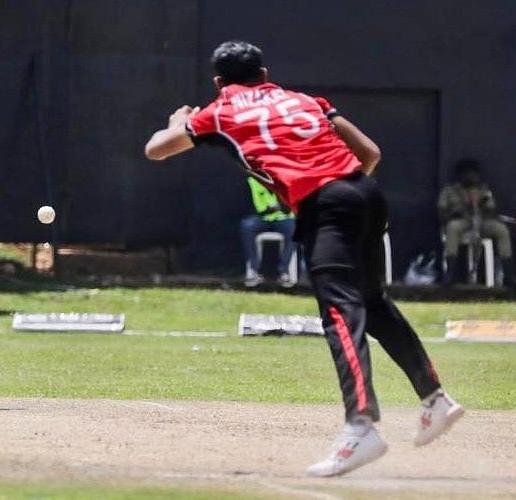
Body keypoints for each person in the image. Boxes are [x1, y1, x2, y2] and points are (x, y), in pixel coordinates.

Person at [144, 40, 464, 477]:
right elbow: (370, 153)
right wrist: (344, 193)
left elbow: (157, 149)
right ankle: (435, 398)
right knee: (372, 302)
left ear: (219, 83)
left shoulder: (219, 111)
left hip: (326, 205)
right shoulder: (304, 100)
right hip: (365, 193)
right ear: (264, 72)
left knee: (340, 312)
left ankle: (361, 424)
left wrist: (177, 121)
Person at [437, 158, 516, 287]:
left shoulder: (483, 190)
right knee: (452, 227)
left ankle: (508, 274)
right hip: (461, 222)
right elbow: (442, 213)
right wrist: (461, 209)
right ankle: (450, 274)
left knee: (501, 229)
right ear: (461, 175)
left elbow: (492, 211)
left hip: (481, 222)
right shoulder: (449, 190)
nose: (472, 177)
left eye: (474, 174)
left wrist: (482, 204)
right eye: (468, 174)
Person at [241, 177, 297, 287]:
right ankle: (253, 270)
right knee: (247, 225)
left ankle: (284, 272)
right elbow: (255, 208)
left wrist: (278, 191)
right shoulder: (254, 181)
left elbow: (288, 209)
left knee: (294, 228)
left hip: (283, 219)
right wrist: (270, 208)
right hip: (263, 218)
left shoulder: (284, 179)